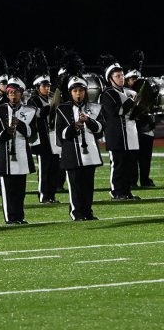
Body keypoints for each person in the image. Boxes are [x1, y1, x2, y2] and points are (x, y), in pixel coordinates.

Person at [56, 67, 105, 221]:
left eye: (81, 90)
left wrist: (88, 121)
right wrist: (73, 127)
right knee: (75, 186)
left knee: (88, 186)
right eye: (75, 90)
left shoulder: (95, 108)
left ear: (85, 91)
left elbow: (100, 130)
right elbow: (60, 134)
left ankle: (87, 211)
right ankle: (76, 212)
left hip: (90, 153)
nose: (78, 94)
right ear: (70, 92)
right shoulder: (62, 109)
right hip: (72, 154)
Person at [0, 69, 37, 224]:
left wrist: (21, 125)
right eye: (10, 92)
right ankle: (10, 218)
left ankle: (19, 216)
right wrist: (6, 132)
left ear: (21, 93)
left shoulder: (30, 110)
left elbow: (34, 135)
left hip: (23, 155)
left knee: (20, 191)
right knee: (7, 190)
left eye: (16, 92)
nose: (13, 95)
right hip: (5, 156)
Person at [98, 55, 141, 200]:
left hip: (131, 134)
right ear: (110, 78)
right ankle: (116, 191)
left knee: (129, 166)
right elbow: (117, 111)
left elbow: (135, 112)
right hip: (116, 136)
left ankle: (127, 191)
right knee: (118, 165)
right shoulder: (107, 94)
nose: (121, 78)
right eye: (117, 76)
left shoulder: (127, 92)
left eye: (122, 75)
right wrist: (131, 101)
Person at [27, 49, 62, 203]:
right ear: (37, 87)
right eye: (44, 86)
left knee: (55, 168)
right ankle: (43, 195)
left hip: (53, 139)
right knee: (44, 169)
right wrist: (52, 105)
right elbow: (36, 114)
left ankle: (52, 194)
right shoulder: (33, 100)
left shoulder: (50, 99)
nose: (47, 88)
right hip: (41, 140)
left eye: (48, 86)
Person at [124, 52, 155, 188]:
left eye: (137, 78)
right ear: (127, 79)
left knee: (145, 157)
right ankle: (132, 181)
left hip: (146, 126)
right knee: (132, 157)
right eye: (132, 78)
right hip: (132, 127)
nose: (135, 81)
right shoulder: (124, 92)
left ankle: (145, 180)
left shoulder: (146, 87)